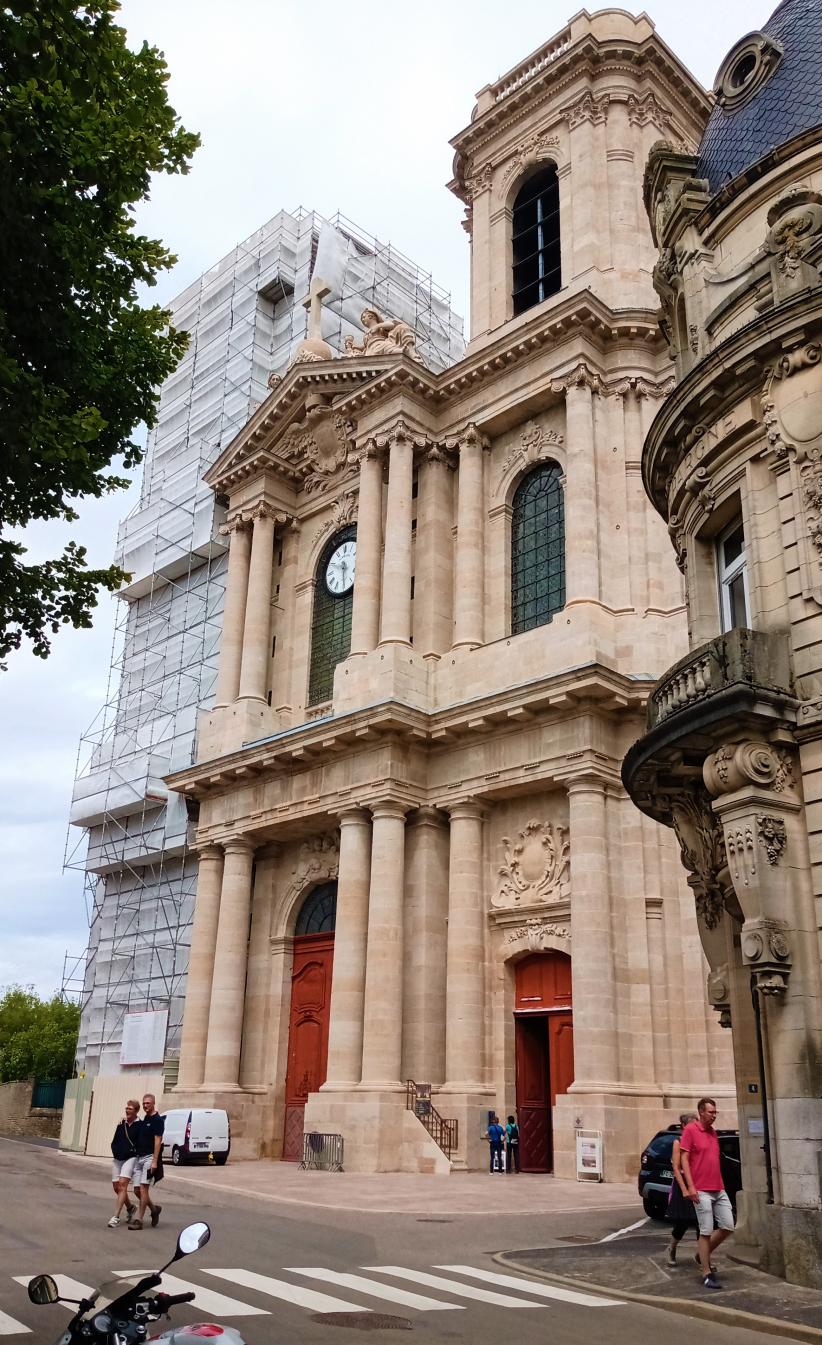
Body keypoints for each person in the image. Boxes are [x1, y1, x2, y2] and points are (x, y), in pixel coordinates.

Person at [680, 1097, 734, 1289]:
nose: (714, 1115)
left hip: (718, 1187)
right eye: (711, 1112)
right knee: (705, 1230)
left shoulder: (713, 1133)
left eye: (715, 1112)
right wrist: (690, 1187)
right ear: (701, 1112)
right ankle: (706, 1272)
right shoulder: (690, 1131)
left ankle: (701, 1254)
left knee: (728, 1225)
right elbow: (684, 1159)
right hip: (701, 1188)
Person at [665, 1112, 699, 1266]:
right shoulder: (678, 1142)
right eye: (692, 1124)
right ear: (684, 1126)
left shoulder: (697, 1140)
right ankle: (672, 1248)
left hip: (698, 1182)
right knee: (683, 1221)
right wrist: (684, 1189)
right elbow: (676, 1168)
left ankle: (702, 1255)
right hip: (683, 1184)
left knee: (702, 1222)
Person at [128, 1093, 165, 1230]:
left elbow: (158, 1142)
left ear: (153, 1103)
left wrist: (154, 1161)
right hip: (139, 1158)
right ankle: (154, 1209)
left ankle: (139, 1220)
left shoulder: (157, 1120)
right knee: (137, 1190)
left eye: (147, 1103)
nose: (145, 1106)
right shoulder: (145, 1119)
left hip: (149, 1158)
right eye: (143, 1103)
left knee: (144, 1189)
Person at [109, 1099, 140, 1227]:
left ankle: (115, 1216)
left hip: (131, 1157)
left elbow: (140, 1142)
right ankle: (130, 1207)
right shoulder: (121, 1124)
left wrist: (133, 1151)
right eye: (126, 1108)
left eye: (130, 1109)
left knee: (122, 1185)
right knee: (116, 1187)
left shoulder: (140, 1125)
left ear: (136, 1111)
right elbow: (115, 1139)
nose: (127, 1110)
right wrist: (115, 1149)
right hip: (118, 1158)